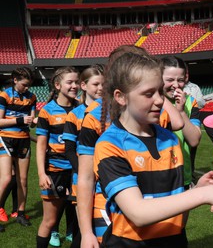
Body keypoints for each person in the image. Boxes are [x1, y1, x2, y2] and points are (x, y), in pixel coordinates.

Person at [94, 51, 213, 247]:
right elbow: (138, 213)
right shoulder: (110, 145)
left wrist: (199, 188)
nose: (160, 101)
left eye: (160, 92)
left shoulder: (169, 139)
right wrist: (202, 195)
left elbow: (178, 217)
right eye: (148, 93)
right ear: (121, 97)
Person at [77, 45, 183, 248]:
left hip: (158, 209)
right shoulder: (94, 119)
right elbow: (86, 178)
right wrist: (86, 231)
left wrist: (154, 88)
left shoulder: (153, 117)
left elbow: (177, 123)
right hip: (111, 208)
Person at [60, 64, 104, 248]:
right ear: (84, 86)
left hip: (106, 179)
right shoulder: (74, 115)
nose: (101, 88)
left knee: (104, 229)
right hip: (82, 179)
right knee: (84, 231)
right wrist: (86, 172)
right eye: (96, 84)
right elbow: (69, 150)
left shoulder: (110, 111)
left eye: (104, 84)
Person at [36, 66, 80, 248]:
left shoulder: (82, 109)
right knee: (50, 220)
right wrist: (41, 173)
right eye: (70, 82)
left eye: (77, 82)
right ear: (57, 84)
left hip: (78, 171)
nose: (74, 86)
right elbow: (41, 145)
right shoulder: (47, 111)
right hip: (55, 170)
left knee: (81, 219)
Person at [0, 67, 36, 231]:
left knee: (22, 180)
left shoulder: (32, 97)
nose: (27, 88)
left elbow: (31, 120)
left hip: (24, 140)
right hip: (5, 139)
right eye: (24, 85)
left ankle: (20, 213)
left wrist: (34, 122)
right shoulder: (4, 95)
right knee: (7, 178)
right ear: (15, 80)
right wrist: (20, 120)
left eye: (29, 85)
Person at [161, 56, 201, 188]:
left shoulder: (190, 102)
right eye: (170, 80)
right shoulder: (151, 100)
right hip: (156, 172)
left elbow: (194, 140)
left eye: (180, 80)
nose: (176, 85)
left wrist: (181, 111)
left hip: (182, 174)